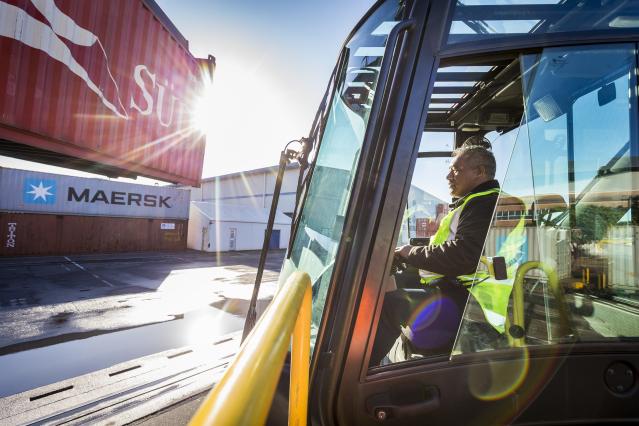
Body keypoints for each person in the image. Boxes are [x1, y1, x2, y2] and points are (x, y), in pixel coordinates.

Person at [370, 141, 501, 366]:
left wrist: (410, 252)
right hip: (457, 288)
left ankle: (363, 373)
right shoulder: (474, 201)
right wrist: (406, 252)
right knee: (388, 284)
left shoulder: (482, 203)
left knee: (387, 305)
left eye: (456, 170)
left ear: (479, 172)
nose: (449, 176)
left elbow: (462, 256)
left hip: (470, 303)